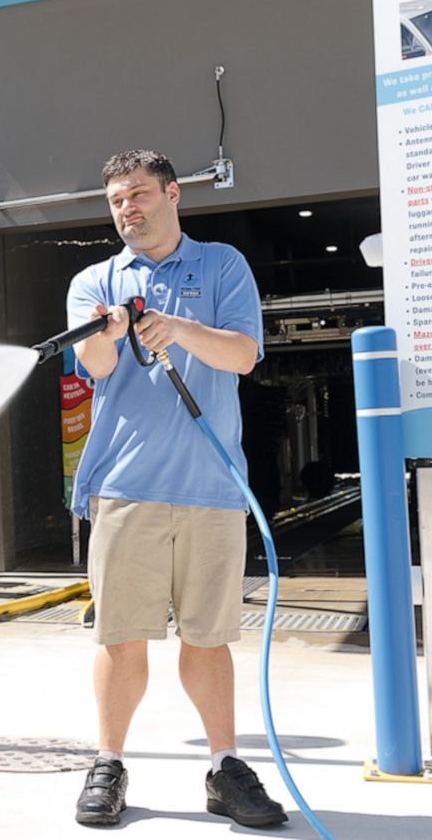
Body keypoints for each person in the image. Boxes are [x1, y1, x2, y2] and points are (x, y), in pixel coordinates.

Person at [65, 149, 285, 828]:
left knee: (208, 638)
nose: (126, 209)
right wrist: (108, 332)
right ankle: (109, 762)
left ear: (172, 195)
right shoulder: (94, 280)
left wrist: (179, 329)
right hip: (125, 487)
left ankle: (224, 766)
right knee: (121, 638)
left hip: (211, 489)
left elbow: (244, 355)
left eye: (137, 195)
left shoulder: (222, 266)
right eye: (115, 202)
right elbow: (97, 365)